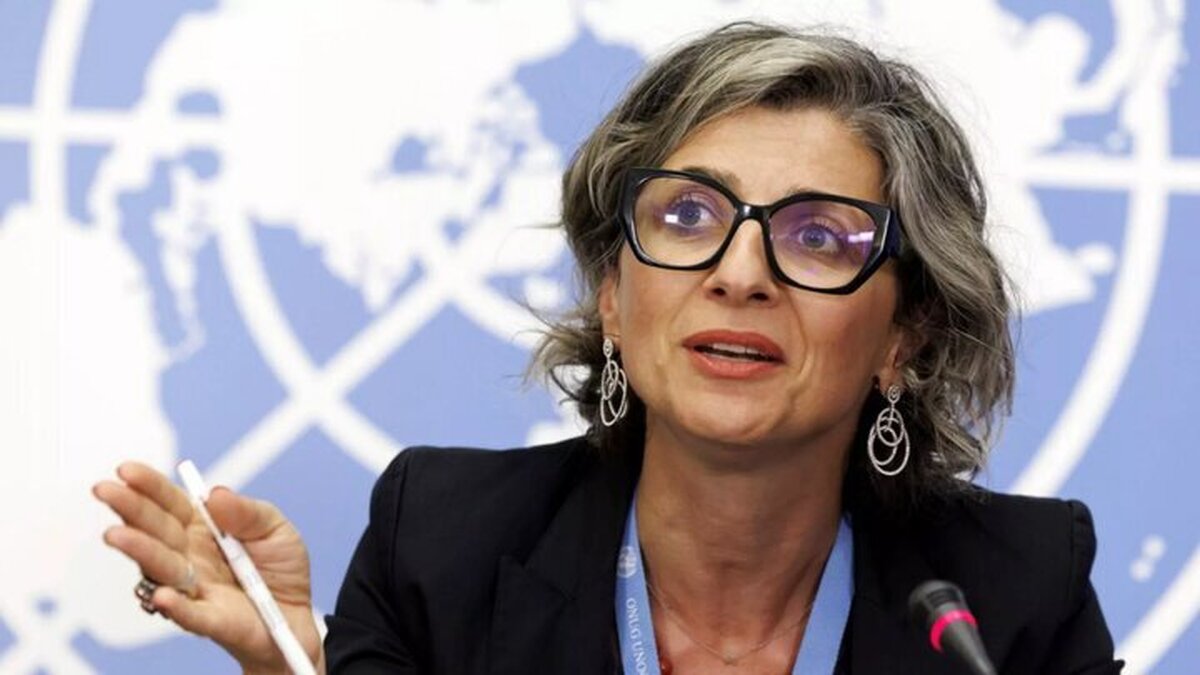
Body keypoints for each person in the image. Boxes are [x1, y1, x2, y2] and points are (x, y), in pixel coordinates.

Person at [93, 22, 1123, 674]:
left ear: (904, 334)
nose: (742, 273)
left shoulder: (1012, 600)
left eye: (818, 236)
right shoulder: (443, 550)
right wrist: (290, 667)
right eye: (687, 216)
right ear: (613, 298)